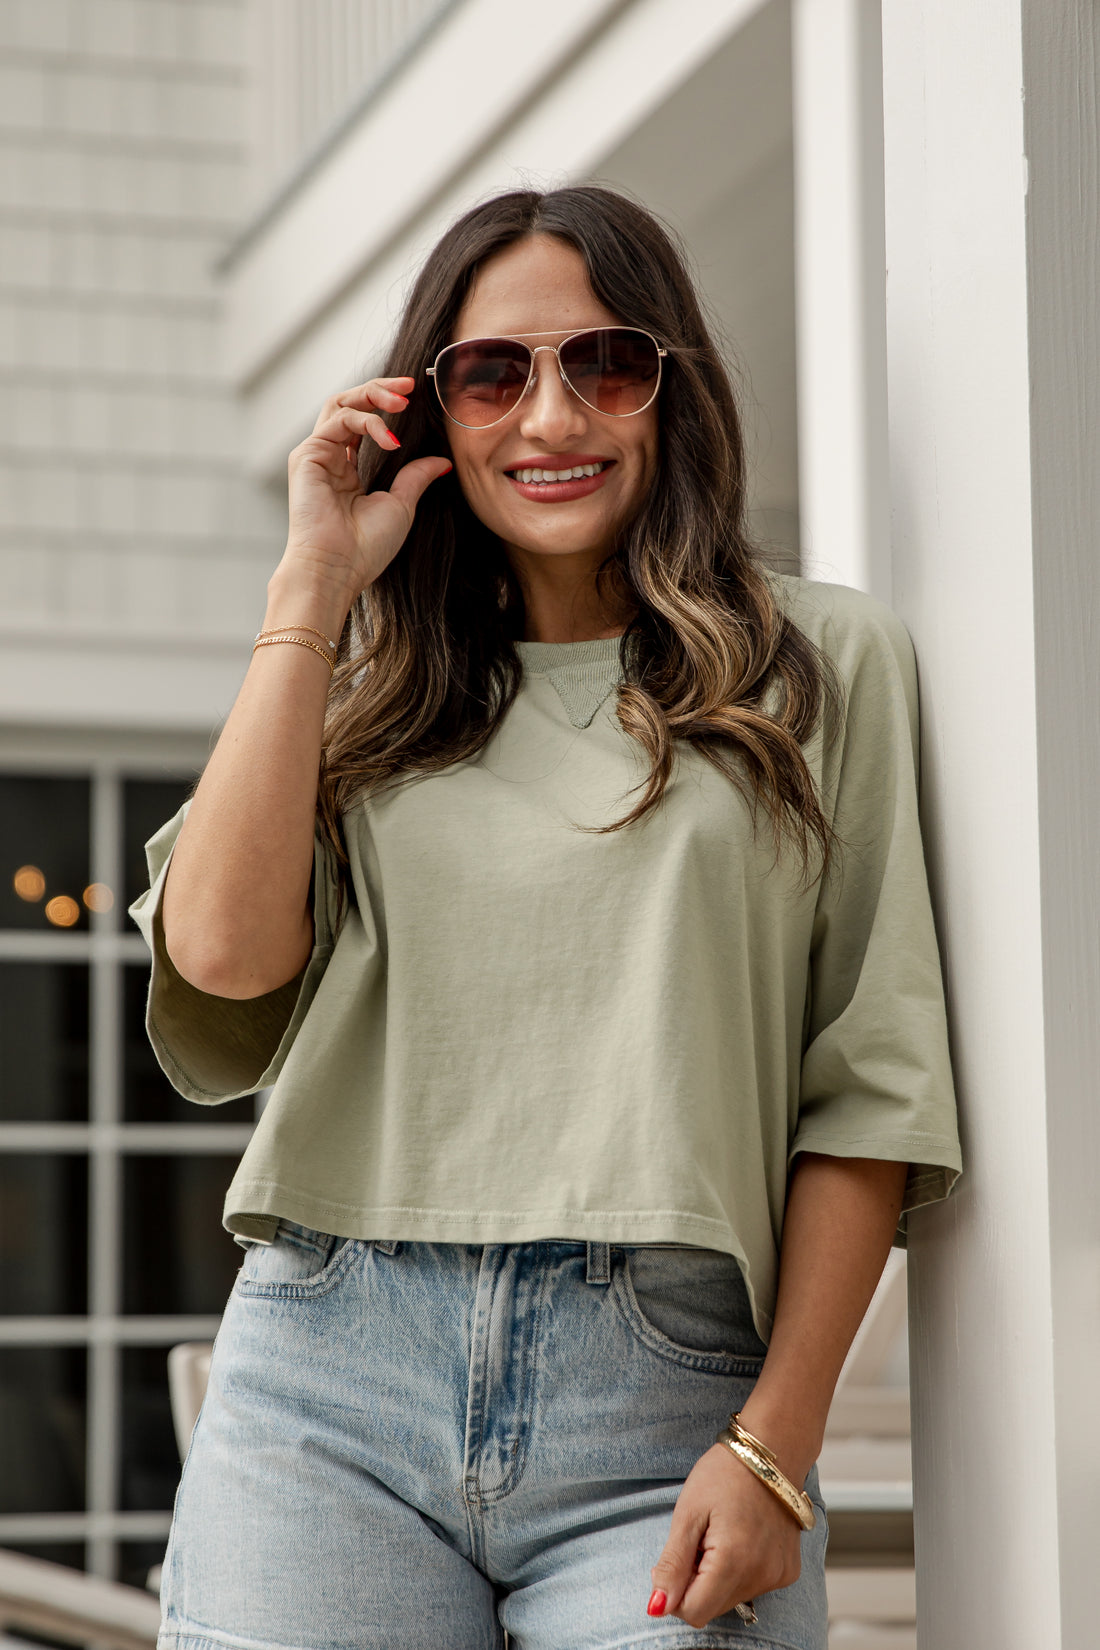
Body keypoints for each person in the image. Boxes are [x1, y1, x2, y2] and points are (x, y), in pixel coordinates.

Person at [131, 185, 961, 1650]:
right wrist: (313, 581)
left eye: (607, 364)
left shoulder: (820, 666)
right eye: (495, 374)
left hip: (669, 1395)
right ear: (431, 419)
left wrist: (777, 1442)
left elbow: (869, 1096)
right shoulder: (361, 696)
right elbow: (219, 959)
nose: (552, 416)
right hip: (333, 1369)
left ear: (671, 391)